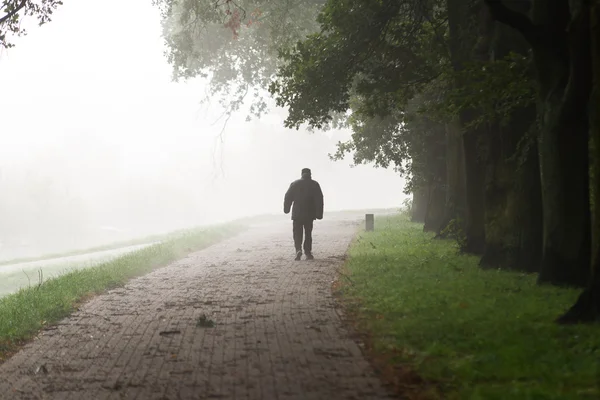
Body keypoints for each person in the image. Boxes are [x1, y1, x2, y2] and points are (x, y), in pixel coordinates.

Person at [284, 168, 324, 260]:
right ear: (310, 174)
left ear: (301, 174)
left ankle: (298, 249)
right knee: (308, 233)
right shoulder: (315, 184)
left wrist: (287, 209)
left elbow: (288, 197)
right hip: (310, 213)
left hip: (297, 213)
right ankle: (308, 252)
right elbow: (319, 199)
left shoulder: (295, 184)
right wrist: (319, 213)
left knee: (297, 233)